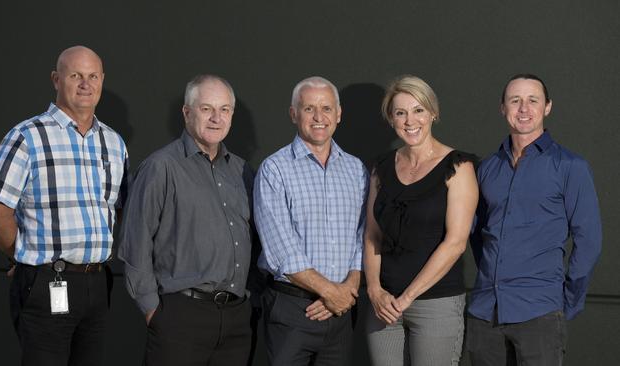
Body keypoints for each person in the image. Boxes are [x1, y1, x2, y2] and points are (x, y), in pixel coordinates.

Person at [0, 45, 128, 366]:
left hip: (97, 282)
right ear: (56, 79)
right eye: (75, 75)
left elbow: (115, 209)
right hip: (47, 281)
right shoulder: (26, 137)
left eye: (93, 76)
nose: (85, 84)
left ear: (102, 80)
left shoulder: (114, 142)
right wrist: (21, 257)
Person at [118, 74, 256, 366]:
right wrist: (153, 311)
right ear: (187, 112)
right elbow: (135, 242)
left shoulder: (243, 172)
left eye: (224, 110)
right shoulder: (161, 167)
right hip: (180, 316)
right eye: (206, 108)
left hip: (235, 320)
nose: (216, 118)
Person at [467, 74, 602, 365]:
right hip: (484, 313)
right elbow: (476, 234)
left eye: (532, 100)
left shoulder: (570, 167)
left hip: (539, 313)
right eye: (515, 101)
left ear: (548, 107)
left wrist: (567, 302)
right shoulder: (488, 169)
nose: (523, 108)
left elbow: (588, 241)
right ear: (502, 108)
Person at [363, 75, 478, 365]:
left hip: (435, 304)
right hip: (383, 305)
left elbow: (455, 243)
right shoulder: (381, 167)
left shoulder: (459, 166)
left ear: (433, 113)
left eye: (418, 110)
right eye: (400, 112)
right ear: (391, 118)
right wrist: (375, 291)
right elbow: (372, 235)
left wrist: (407, 298)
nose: (410, 120)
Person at [253, 76, 369, 366]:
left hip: (342, 313)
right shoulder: (274, 169)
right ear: (294, 114)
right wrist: (332, 293)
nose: (319, 117)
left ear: (339, 114)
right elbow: (281, 249)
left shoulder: (356, 170)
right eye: (309, 109)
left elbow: (363, 235)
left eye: (327, 108)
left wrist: (347, 291)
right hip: (292, 310)